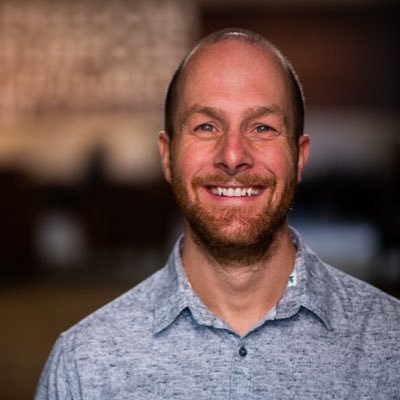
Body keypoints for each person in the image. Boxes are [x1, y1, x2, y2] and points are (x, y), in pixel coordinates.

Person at [35, 28, 400, 399]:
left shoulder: (391, 343)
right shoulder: (83, 364)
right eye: (206, 126)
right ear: (167, 156)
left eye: (262, 127)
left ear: (300, 157)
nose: (233, 155)